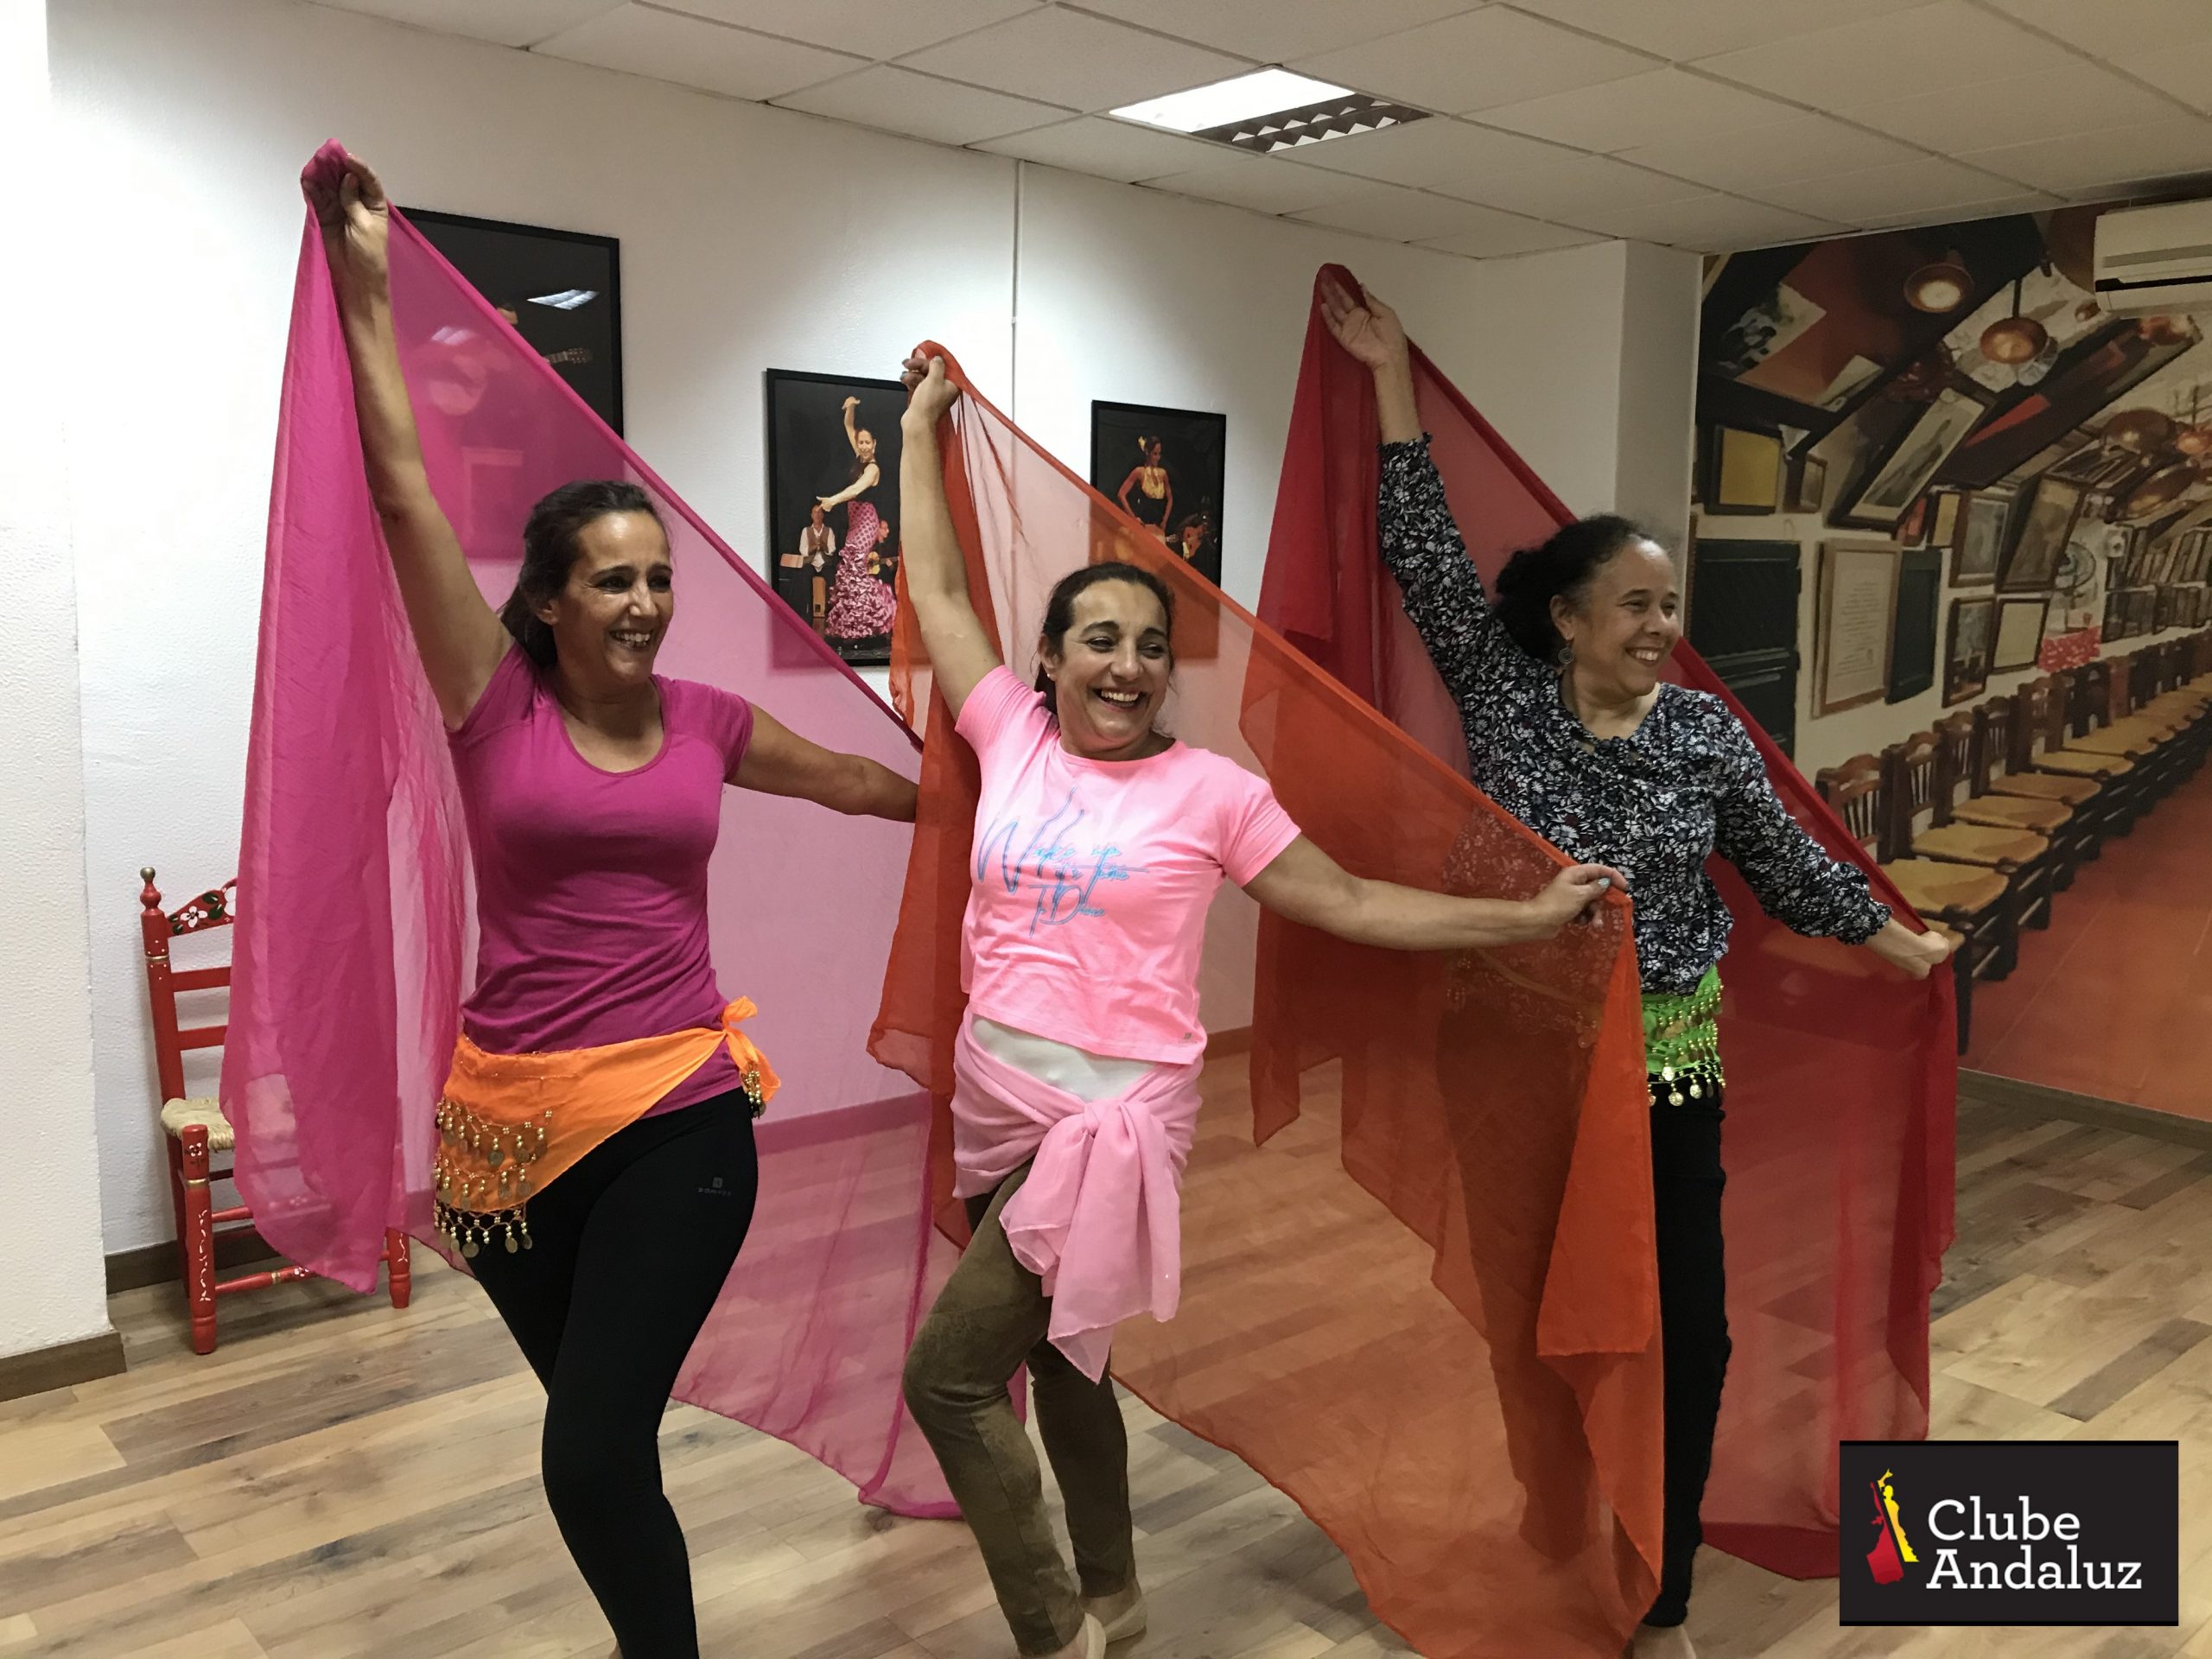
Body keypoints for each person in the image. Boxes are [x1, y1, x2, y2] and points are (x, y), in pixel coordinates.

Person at [892, 350, 1626, 1659]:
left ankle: (1054, 1632)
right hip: (999, 1097)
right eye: (1099, 640)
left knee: (947, 1377)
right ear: (1049, 658)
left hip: (1111, 1123)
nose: (1128, 666)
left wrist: (1521, 918)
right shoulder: (1007, 730)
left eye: (1150, 647)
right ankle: (1116, 1597)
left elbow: (1348, 900)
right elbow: (940, 590)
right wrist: (917, 432)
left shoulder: (1212, 792)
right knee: (1064, 1357)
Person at [305, 153, 918, 1659]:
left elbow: (857, 784)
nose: (646, 604)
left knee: (583, 1453)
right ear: (548, 601)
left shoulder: (707, 722)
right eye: (612, 582)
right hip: (501, 1132)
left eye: (657, 579)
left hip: (677, 1114)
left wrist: (1006, 781)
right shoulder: (490, 702)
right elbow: (402, 494)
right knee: (605, 1448)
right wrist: (366, 286)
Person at [1319, 276, 1951, 1659]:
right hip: (1511, 1050)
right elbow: (1423, 552)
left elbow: (1785, 866)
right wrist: (1390, 379)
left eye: (1671, 607)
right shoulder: (1503, 694)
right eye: (1637, 606)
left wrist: (1904, 945)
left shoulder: (1705, 734)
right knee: (1527, 1306)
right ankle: (1557, 1510)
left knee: (1687, 1325)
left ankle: (1659, 1587)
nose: (1663, 628)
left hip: (1665, 1064)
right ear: (1567, 618)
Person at [822, 394, 897, 644]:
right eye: (861, 442)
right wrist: (851, 407)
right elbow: (848, 426)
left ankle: (878, 616)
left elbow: (856, 490)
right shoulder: (859, 457)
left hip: (866, 520)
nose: (863, 446)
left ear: (874, 444)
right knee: (850, 569)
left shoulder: (873, 468)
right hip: (855, 519)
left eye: (867, 442)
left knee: (854, 563)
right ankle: (856, 625)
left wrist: (832, 500)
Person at [788, 501, 838, 632]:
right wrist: (814, 547)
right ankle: (808, 612)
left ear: (822, 515)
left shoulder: (829, 531)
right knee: (805, 576)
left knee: (831, 578)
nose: (817, 515)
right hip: (811, 563)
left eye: (819, 512)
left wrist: (822, 545)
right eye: (815, 512)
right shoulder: (806, 531)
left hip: (824, 563)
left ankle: (830, 612)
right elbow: (803, 550)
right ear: (811, 515)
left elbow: (831, 550)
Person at [1114, 435, 1172, 541]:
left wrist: (1165, 520)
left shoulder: (1163, 474)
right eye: (1155, 454)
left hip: (1157, 527)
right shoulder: (1139, 472)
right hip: (1142, 526)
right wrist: (1133, 518)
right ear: (1148, 453)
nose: (1158, 458)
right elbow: (1121, 494)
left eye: (1159, 454)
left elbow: (1170, 498)